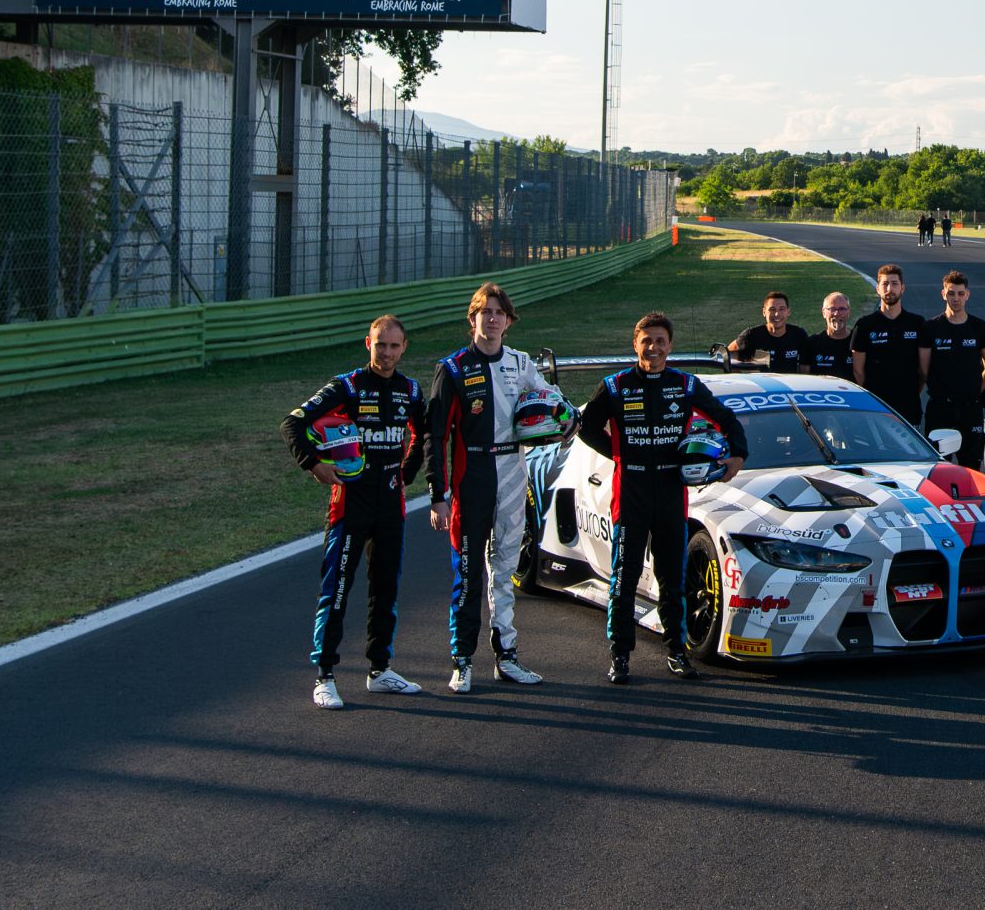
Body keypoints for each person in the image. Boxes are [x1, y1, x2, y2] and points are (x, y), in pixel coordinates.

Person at [573, 312, 747, 683]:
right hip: (630, 494)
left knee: (673, 580)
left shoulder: (685, 384)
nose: (653, 348)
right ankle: (620, 655)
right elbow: (585, 428)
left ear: (670, 345)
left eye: (660, 341)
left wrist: (737, 455)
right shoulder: (615, 386)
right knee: (624, 577)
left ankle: (677, 653)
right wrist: (619, 454)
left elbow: (725, 418)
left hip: (671, 493)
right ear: (634, 344)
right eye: (646, 341)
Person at [282, 313, 426, 710]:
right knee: (337, 590)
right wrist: (314, 464)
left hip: (391, 506)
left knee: (386, 591)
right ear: (368, 344)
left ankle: (380, 670)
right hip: (350, 506)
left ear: (404, 348)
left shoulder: (410, 390)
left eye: (395, 346)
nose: (387, 353)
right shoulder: (346, 386)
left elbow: (426, 432)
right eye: (381, 345)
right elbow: (292, 424)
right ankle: (324, 675)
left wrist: (407, 472)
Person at [426, 282, 562, 692]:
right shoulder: (451, 368)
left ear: (508, 320)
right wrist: (438, 493)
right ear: (473, 318)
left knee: (505, 571)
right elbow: (435, 434)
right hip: (473, 476)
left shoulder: (521, 364)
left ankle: (506, 656)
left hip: (513, 470)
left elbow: (552, 400)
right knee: (468, 574)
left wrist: (565, 419)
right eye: (485, 311)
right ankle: (462, 661)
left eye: (499, 312)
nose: (492, 318)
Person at [923, 270, 985, 467]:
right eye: (951, 293)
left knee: (971, 467)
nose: (955, 298)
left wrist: (974, 390)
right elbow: (924, 369)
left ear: (967, 295)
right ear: (943, 294)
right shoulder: (931, 327)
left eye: (960, 293)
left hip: (970, 408)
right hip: (940, 408)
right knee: (939, 467)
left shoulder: (980, 327)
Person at [851, 263, 929, 426]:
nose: (889, 289)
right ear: (877, 288)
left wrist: (911, 393)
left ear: (902, 288)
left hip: (909, 408)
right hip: (876, 409)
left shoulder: (917, 323)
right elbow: (858, 371)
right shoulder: (865, 325)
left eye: (894, 284)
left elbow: (923, 371)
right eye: (885, 284)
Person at [726, 290, 806, 368]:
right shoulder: (751, 335)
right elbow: (726, 355)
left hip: (790, 381)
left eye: (782, 309)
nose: (777, 314)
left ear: (788, 311)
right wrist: (741, 378)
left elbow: (808, 365)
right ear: (764, 312)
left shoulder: (799, 335)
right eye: (772, 309)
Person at [803, 292, 859, 377]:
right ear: (823, 312)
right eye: (832, 309)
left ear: (849, 312)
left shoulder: (858, 342)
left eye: (842, 309)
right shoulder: (811, 343)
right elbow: (804, 379)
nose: (836, 313)